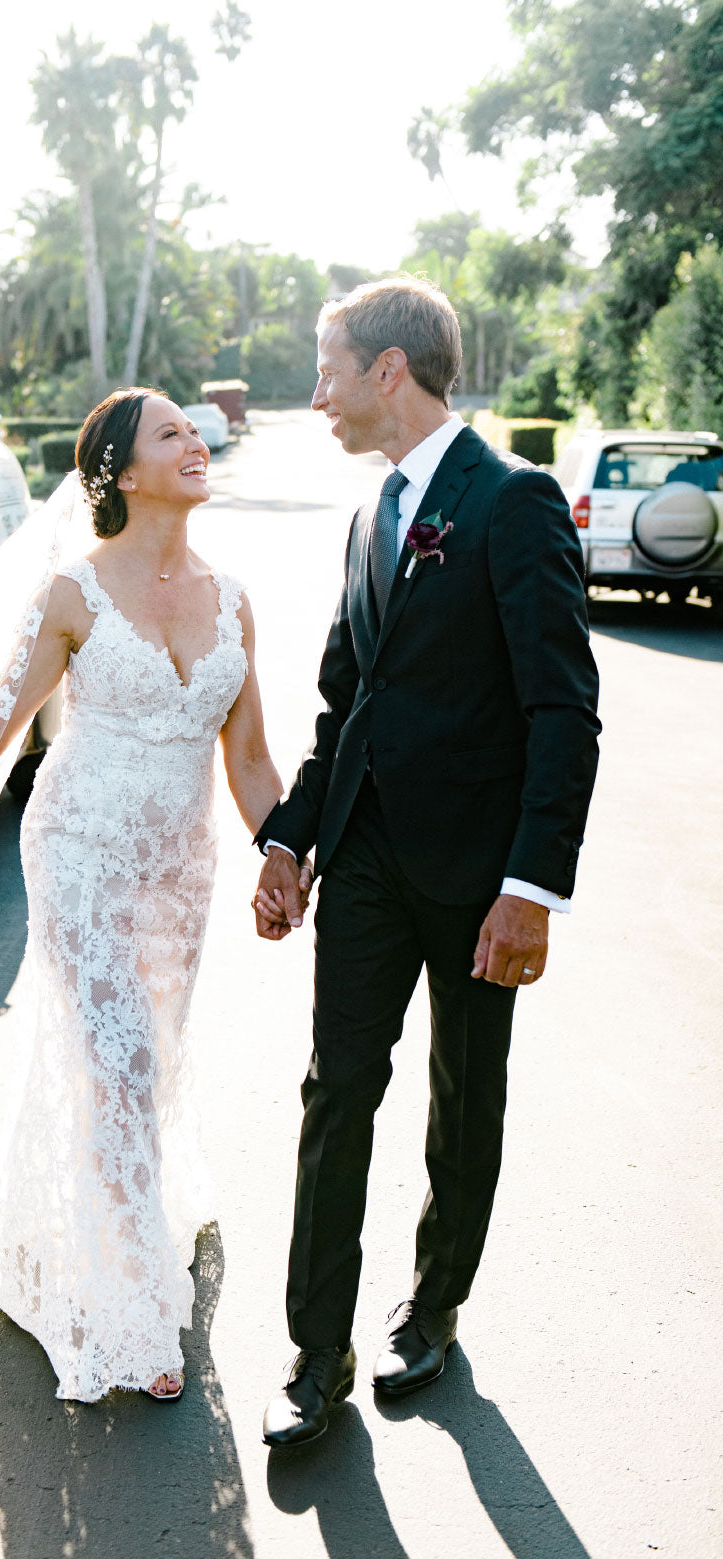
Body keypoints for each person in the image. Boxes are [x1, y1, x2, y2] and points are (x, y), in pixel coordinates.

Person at [0, 388, 289, 1403]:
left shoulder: (237, 598)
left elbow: (249, 758)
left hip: (179, 867)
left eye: (191, 430)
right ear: (119, 474)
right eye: (170, 433)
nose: (194, 440)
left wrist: (283, 853)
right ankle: (133, 1315)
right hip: (78, 854)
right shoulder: (73, 596)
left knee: (147, 1058)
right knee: (117, 1062)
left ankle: (69, 1209)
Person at [254, 277, 600, 1448]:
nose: (318, 395)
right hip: (360, 868)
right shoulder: (368, 520)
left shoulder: (513, 503)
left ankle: (435, 1306)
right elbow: (344, 704)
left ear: (388, 371)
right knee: (333, 1094)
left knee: (466, 1103)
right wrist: (293, 837)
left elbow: (564, 710)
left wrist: (531, 888)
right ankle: (313, 1354)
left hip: (478, 882)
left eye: (328, 369)